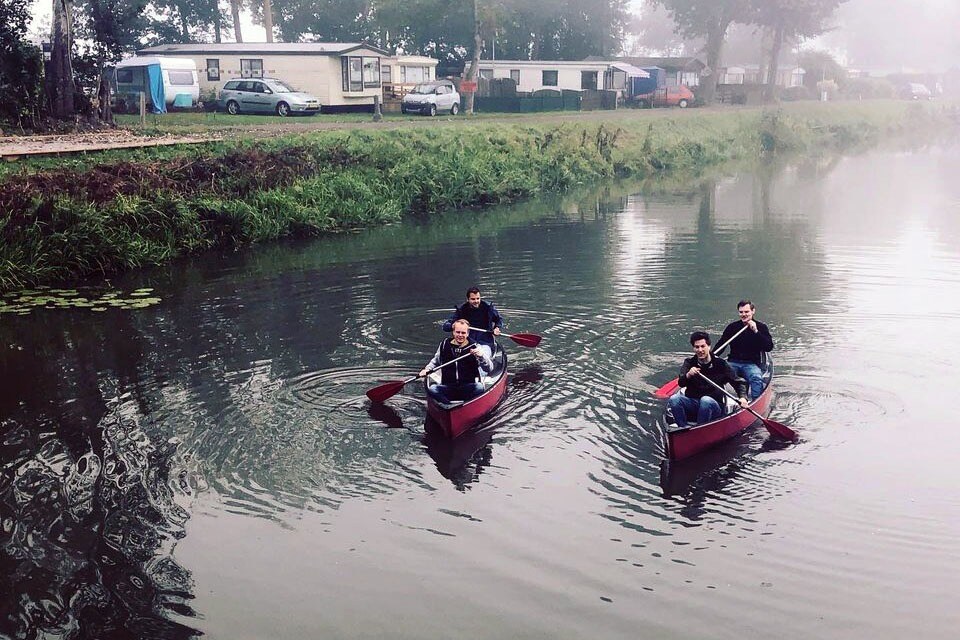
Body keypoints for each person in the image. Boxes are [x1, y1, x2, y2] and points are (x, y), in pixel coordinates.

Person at [668, 331, 749, 429]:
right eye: (697, 347)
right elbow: (681, 383)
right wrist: (688, 375)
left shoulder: (720, 364)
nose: (700, 350)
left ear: (709, 346)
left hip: (714, 405)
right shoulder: (689, 363)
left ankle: (700, 430)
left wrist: (743, 397)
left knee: (705, 400)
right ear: (693, 348)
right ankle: (682, 428)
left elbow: (739, 382)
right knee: (674, 399)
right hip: (694, 403)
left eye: (703, 346)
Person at [420, 319, 493, 404]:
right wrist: (426, 369)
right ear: (453, 332)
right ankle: (448, 405)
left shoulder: (475, 347)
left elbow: (489, 368)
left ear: (468, 333)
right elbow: (435, 361)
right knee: (432, 389)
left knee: (479, 387)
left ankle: (466, 404)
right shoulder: (444, 344)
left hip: (467, 386)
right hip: (448, 386)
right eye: (457, 332)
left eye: (463, 333)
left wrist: (481, 357)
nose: (460, 335)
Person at [714, 300, 774, 400]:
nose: (744, 314)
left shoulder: (761, 327)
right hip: (733, 362)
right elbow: (721, 345)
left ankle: (755, 402)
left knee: (756, 378)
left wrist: (756, 331)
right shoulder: (732, 327)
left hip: (751, 364)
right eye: (741, 312)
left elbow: (768, 347)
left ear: (753, 311)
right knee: (717, 376)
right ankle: (719, 403)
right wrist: (712, 357)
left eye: (746, 312)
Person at [442, 286, 503, 360]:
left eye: (478, 298)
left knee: (482, 357)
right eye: (473, 299)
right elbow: (446, 326)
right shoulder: (461, 309)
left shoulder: (487, 307)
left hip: (485, 341)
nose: (476, 301)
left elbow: (499, 319)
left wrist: (497, 328)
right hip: (467, 342)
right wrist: (452, 326)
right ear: (468, 299)